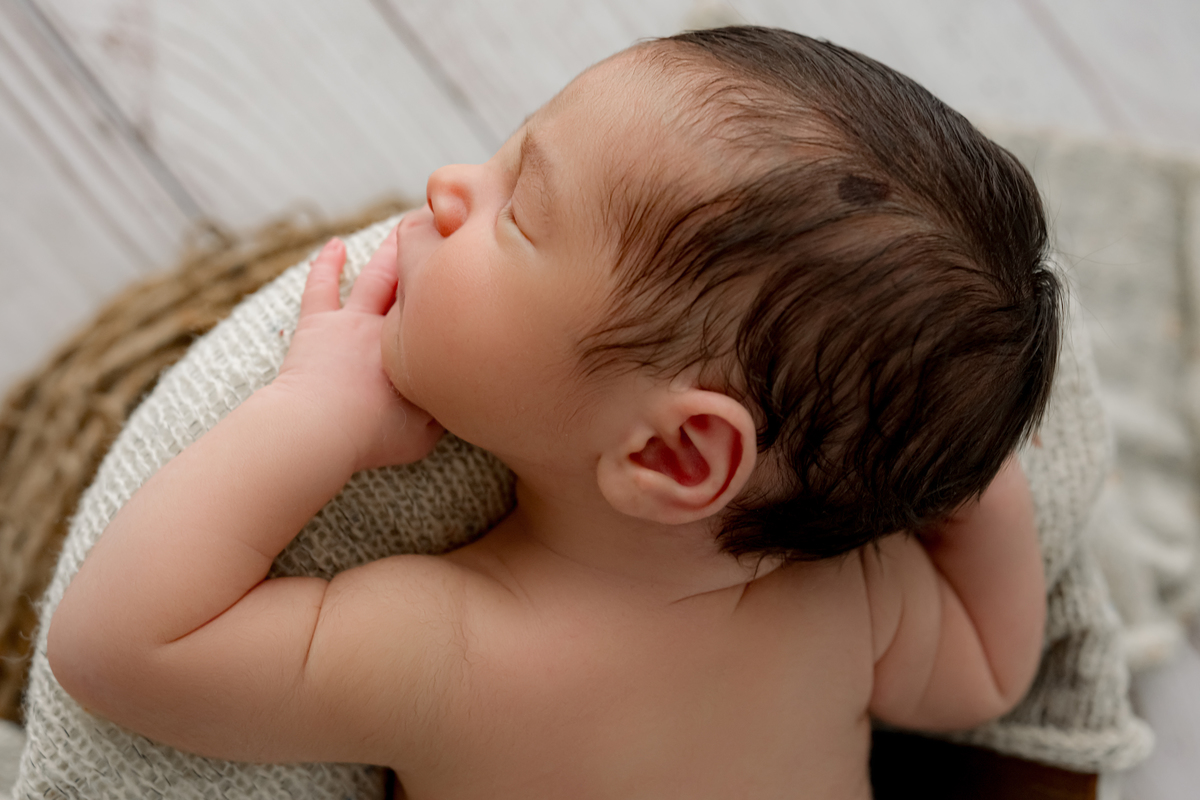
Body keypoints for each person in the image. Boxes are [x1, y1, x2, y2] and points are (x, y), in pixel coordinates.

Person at [47, 26, 1058, 799]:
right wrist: (973, 475)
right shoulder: (854, 601)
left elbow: (118, 650)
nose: (449, 186)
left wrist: (315, 412)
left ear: (674, 449)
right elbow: (987, 670)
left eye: (519, 212)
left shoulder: (454, 651)